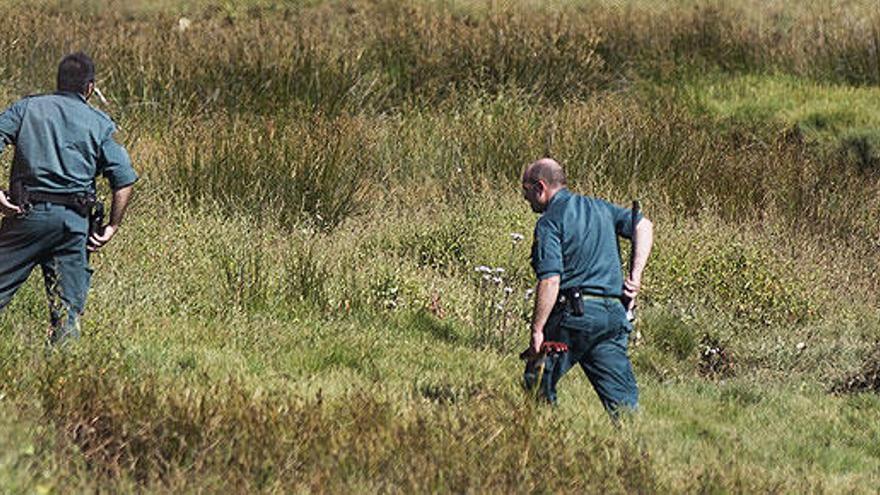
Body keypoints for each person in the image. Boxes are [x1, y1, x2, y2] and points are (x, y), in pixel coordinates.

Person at [0, 52, 138, 345]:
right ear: (89, 88)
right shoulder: (100, 123)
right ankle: (61, 378)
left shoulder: (26, 108)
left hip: (26, 216)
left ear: (59, 82)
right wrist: (112, 226)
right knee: (67, 313)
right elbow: (124, 180)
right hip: (72, 227)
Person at [521, 158, 652, 417]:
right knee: (623, 407)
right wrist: (635, 276)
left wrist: (537, 330)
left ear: (540, 187)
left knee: (537, 382)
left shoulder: (550, 221)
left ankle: (544, 443)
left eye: (526, 192)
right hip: (613, 318)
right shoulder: (601, 208)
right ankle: (634, 451)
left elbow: (550, 279)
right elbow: (644, 225)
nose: (527, 201)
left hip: (575, 316)